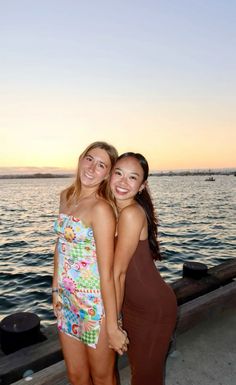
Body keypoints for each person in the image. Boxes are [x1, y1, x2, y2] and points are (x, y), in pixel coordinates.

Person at [52, 141, 128, 385]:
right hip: (66, 299)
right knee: (76, 376)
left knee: (103, 377)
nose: (92, 167)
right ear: (80, 158)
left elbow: (107, 273)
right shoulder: (67, 197)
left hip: (94, 305)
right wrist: (55, 288)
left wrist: (113, 325)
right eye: (89, 159)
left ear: (107, 174)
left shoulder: (102, 209)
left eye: (101, 165)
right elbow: (60, 246)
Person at [110, 152, 177, 385]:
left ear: (142, 186)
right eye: (118, 173)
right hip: (132, 305)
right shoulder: (114, 211)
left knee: (145, 377)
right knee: (141, 372)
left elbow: (117, 273)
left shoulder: (130, 214)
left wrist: (113, 323)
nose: (122, 182)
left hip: (152, 309)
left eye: (132, 177)